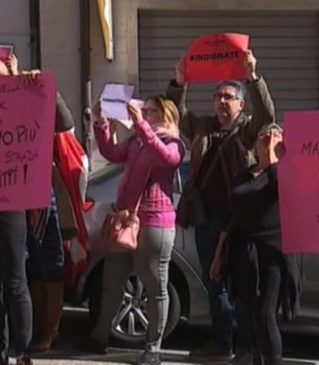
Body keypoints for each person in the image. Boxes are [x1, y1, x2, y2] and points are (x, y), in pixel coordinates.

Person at [166, 49, 275, 361]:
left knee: (241, 285)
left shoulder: (248, 130)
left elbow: (268, 115)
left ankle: (244, 347)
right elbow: (176, 114)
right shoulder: (203, 127)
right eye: (217, 96)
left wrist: (253, 77)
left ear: (241, 104)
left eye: (228, 96)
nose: (222, 101)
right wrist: (179, 81)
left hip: (237, 221)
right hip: (206, 219)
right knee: (215, 285)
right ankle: (222, 342)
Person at [76, 95, 185, 365]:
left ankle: (153, 348)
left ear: (164, 114)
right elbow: (111, 153)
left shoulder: (173, 141)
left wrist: (141, 126)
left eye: (149, 111)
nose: (143, 114)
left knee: (155, 285)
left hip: (155, 221)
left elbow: (167, 159)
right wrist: (102, 122)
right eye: (142, 110)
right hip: (127, 219)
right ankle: (99, 336)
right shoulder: (138, 141)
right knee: (113, 280)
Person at [209, 123, 303, 365]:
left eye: (275, 136)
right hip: (243, 250)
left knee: (265, 313)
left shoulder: (285, 172)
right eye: (264, 136)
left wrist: (273, 155)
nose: (269, 139)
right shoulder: (244, 175)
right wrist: (219, 254)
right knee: (250, 313)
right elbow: (232, 216)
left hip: (273, 252)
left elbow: (278, 187)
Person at [26, 92, 80, 353]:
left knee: (50, 263)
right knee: (30, 267)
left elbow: (66, 123)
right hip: (13, 197)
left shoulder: (29, 98)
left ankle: (49, 330)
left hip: (43, 196)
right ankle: (32, 328)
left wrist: (49, 90)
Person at [0, 54, 33, 365]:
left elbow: (61, 120)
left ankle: (21, 350)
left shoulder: (20, 106)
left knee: (14, 279)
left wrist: (21, 81)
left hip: (11, 203)